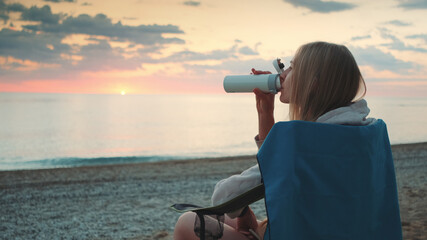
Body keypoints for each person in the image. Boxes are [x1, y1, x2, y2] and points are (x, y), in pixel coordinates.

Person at [173, 41, 374, 240]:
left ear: (313, 84)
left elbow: (224, 196)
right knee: (223, 218)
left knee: (188, 222)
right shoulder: (361, 131)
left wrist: (244, 213)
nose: (282, 74)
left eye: (292, 67)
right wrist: (265, 112)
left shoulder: (305, 144)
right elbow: (277, 170)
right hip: (337, 229)